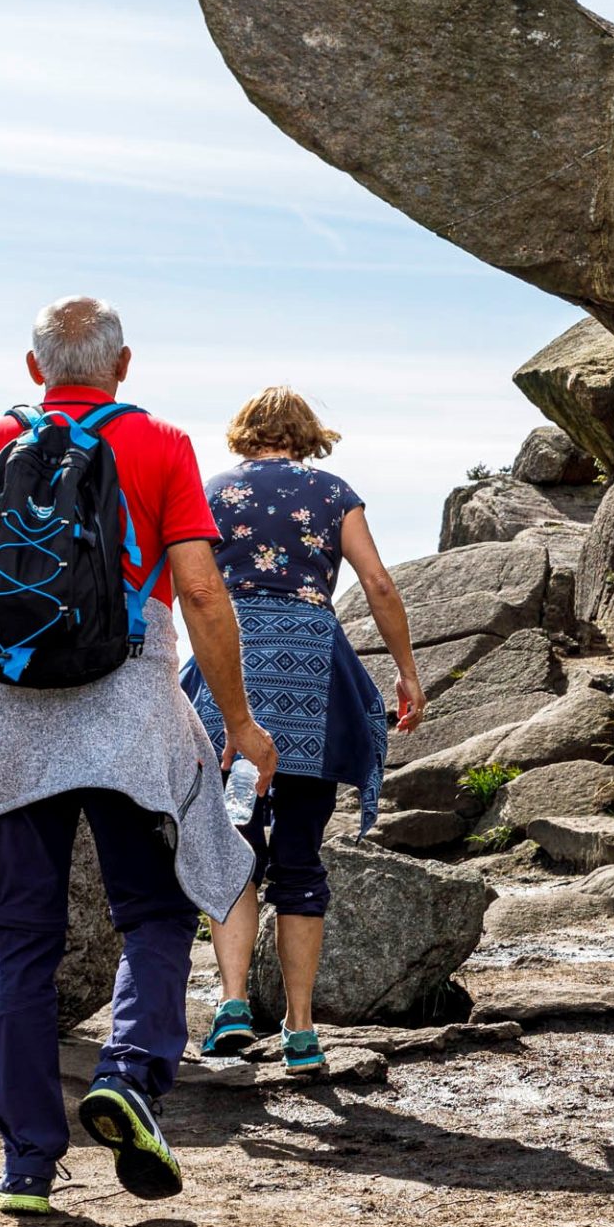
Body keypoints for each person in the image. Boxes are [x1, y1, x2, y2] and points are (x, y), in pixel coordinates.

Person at [0, 297, 276, 1217]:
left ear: (35, 369)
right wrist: (238, 719)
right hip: (129, 714)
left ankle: (26, 1164)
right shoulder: (161, 444)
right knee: (156, 909)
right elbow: (201, 592)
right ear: (123, 364)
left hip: (9, 722)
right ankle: (131, 1074)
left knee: (21, 942)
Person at [186, 386, 423, 1077]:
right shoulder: (333, 492)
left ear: (245, 432)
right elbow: (378, 584)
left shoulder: (212, 492)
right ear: (306, 434)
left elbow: (188, 589)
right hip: (311, 677)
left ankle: (232, 1004)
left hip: (230, 671)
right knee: (299, 858)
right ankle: (301, 1030)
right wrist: (407, 672)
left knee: (233, 846)